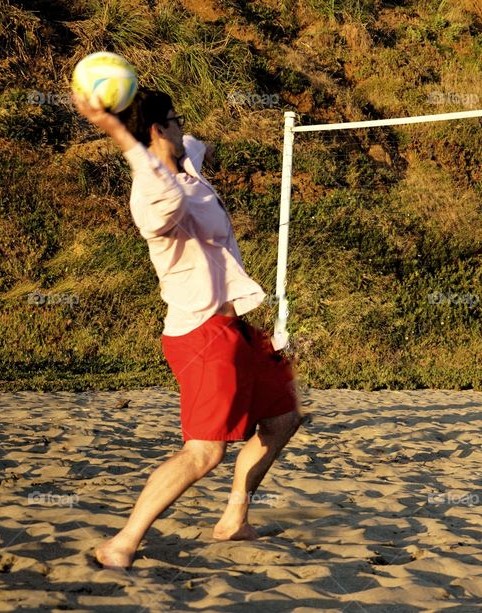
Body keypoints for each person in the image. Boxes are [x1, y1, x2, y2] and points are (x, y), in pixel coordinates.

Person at [73, 89, 304, 569]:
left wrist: (191, 145)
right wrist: (115, 128)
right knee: (204, 453)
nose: (184, 127)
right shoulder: (153, 197)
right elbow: (160, 188)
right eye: (175, 121)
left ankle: (234, 518)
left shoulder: (186, 164)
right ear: (158, 131)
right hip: (202, 336)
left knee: (283, 419)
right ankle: (123, 542)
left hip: (239, 330)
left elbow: (196, 146)